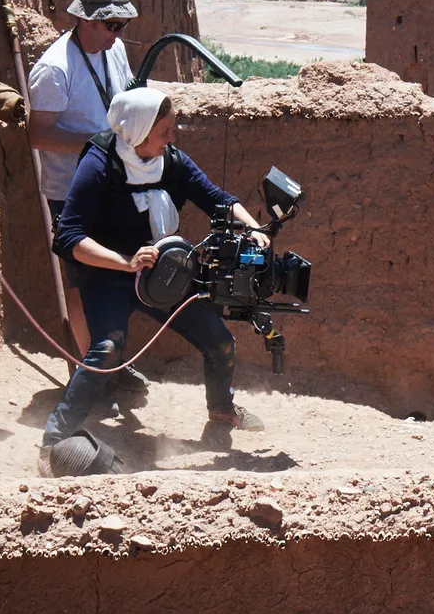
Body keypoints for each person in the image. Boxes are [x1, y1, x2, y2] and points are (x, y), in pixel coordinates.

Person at [37, 88, 269, 476]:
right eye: (163, 131)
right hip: (109, 276)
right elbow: (69, 237)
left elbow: (216, 198)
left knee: (220, 342)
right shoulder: (99, 164)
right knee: (106, 350)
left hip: (163, 275)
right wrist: (125, 262)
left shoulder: (170, 161)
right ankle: (52, 442)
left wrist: (253, 228)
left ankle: (221, 409)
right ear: (138, 131)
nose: (170, 138)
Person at [27, 0, 146, 410]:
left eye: (123, 25)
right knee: (82, 285)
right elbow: (38, 135)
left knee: (117, 277)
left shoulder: (112, 51)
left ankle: (111, 362)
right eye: (113, 25)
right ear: (87, 21)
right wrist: (95, 146)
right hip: (72, 192)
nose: (119, 34)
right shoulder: (55, 68)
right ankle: (90, 376)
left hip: (113, 186)